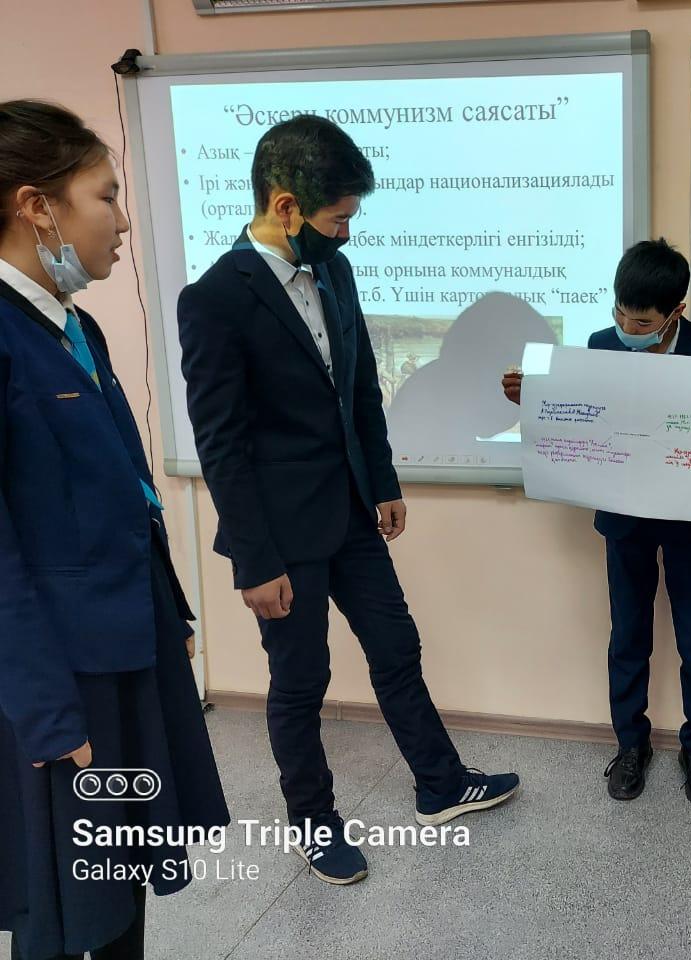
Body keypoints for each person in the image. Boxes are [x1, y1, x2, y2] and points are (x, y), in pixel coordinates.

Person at [177, 115, 517, 886]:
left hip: (353, 514)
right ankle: (314, 822)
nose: (347, 233)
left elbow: (359, 391)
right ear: (286, 206)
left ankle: (440, 784)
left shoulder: (336, 273)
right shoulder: (215, 300)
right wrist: (254, 562)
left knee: (397, 647)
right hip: (280, 536)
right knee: (302, 682)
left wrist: (384, 483)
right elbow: (222, 445)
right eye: (338, 219)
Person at [0, 99, 229, 960]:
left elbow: (120, 486)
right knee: (70, 906)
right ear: (38, 206)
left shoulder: (74, 324)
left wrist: (170, 612)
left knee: (125, 870)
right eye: (107, 197)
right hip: (61, 677)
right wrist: (46, 713)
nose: (124, 222)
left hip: (129, 643)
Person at [502, 239, 691, 807]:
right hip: (625, 520)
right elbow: (582, 427)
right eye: (621, 314)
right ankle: (631, 745)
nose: (628, 328)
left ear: (676, 311)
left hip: (690, 522)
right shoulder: (600, 347)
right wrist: (531, 403)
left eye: (643, 322)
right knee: (628, 637)